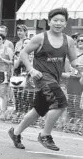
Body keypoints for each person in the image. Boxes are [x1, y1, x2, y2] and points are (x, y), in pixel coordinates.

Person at [8, 8, 83, 151]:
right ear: (49, 22)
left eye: (61, 21)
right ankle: (45, 135)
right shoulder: (40, 38)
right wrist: (31, 69)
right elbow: (23, 54)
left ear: (66, 23)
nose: (58, 23)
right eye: (55, 20)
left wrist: (80, 68)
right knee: (61, 102)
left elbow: (74, 61)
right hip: (41, 77)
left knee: (39, 109)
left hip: (54, 79)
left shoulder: (68, 41)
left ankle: (15, 132)